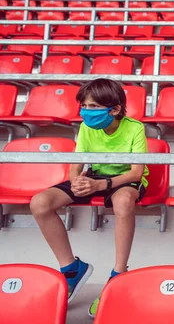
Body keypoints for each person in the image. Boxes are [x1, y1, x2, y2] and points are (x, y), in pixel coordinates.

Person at [30, 78, 149, 319]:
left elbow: (136, 172)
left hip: (124, 179)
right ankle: (71, 269)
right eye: (84, 106)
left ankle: (118, 274)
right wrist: (75, 180)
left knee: (124, 201)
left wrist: (101, 184)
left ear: (114, 109)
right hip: (94, 176)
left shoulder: (135, 127)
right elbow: (77, 163)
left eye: (92, 107)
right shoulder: (86, 127)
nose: (86, 112)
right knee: (40, 202)